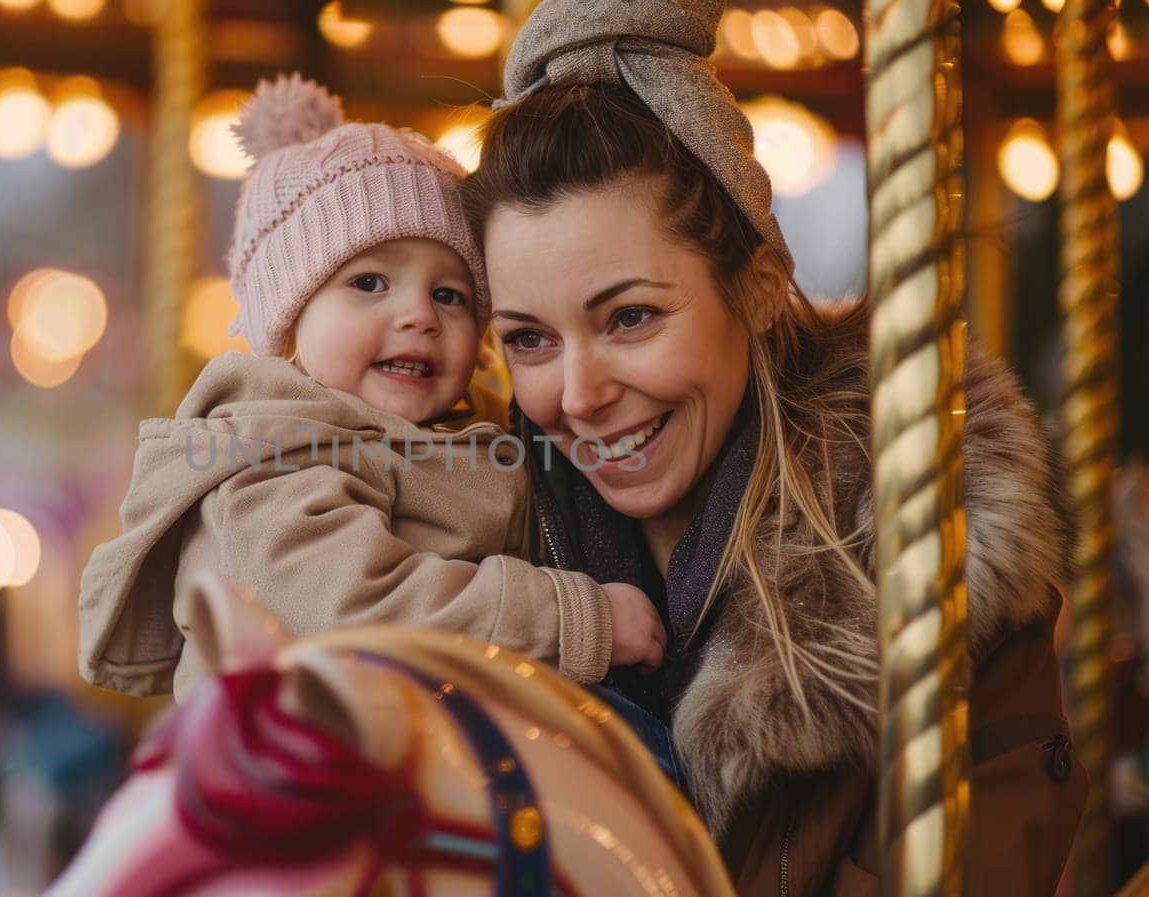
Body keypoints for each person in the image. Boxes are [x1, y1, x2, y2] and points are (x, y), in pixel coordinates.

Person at [456, 1, 1087, 894]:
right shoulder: (459, 547)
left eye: (630, 317)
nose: (579, 394)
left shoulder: (933, 558)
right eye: (527, 338)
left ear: (756, 292)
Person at [77, 76, 666, 720]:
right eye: (368, 282)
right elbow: (352, 608)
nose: (418, 313)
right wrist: (581, 619)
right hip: (312, 774)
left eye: (450, 295)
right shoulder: (269, 461)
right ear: (289, 319)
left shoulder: (467, 439)